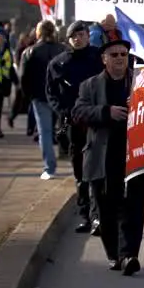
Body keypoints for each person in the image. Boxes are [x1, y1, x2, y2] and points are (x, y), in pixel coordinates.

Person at [72, 38, 144, 275]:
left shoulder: (142, 84)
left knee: (134, 208)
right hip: (102, 159)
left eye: (123, 54)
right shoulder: (90, 85)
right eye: (114, 55)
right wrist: (107, 112)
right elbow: (78, 112)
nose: (119, 59)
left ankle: (129, 255)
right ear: (104, 59)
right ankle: (114, 255)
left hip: (135, 156)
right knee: (107, 210)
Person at [47, 21, 104, 234]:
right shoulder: (58, 64)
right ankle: (85, 216)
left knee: (98, 170)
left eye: (81, 34)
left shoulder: (100, 58)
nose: (78, 39)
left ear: (88, 36)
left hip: (97, 121)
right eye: (74, 36)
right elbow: (51, 92)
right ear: (68, 39)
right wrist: (63, 111)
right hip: (73, 124)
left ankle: (98, 216)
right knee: (80, 172)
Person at [21, 21, 67, 179]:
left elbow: (24, 77)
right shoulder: (63, 49)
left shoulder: (30, 51)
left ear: (38, 33)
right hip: (60, 96)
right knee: (64, 129)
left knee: (45, 132)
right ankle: (69, 157)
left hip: (39, 96)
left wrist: (28, 95)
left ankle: (49, 168)